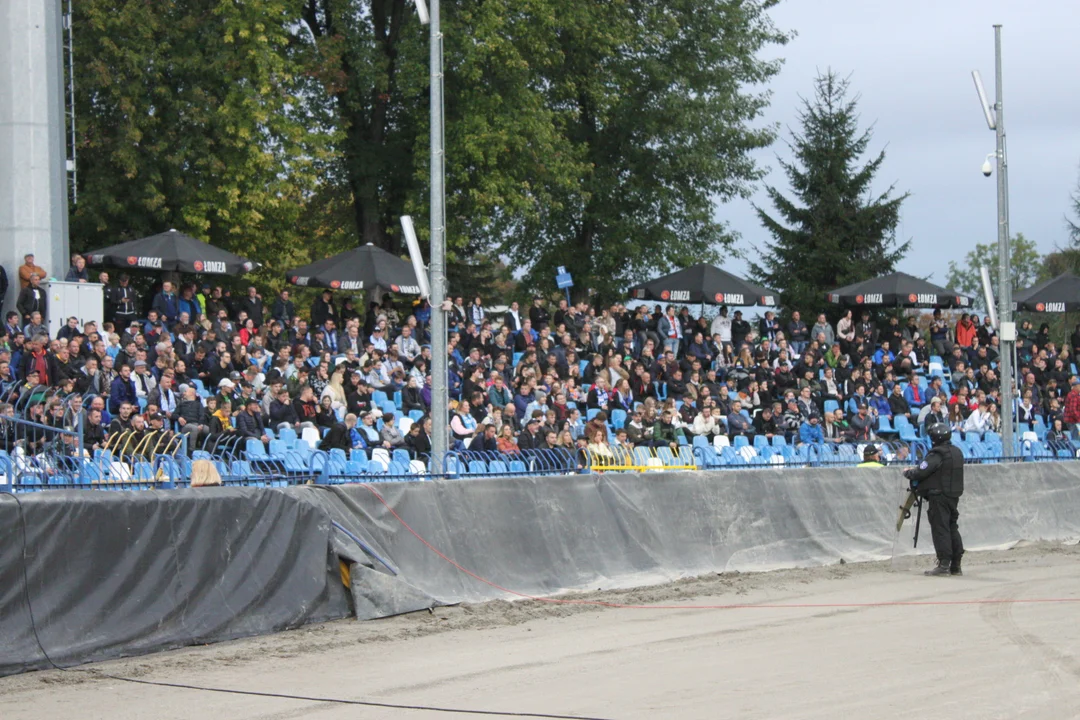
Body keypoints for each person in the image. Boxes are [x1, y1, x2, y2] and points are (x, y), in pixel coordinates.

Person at [903, 423, 964, 576]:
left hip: (939, 496)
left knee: (940, 528)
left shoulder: (937, 454)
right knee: (952, 527)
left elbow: (921, 472)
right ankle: (956, 565)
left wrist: (909, 473)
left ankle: (943, 564)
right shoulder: (957, 452)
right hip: (953, 495)